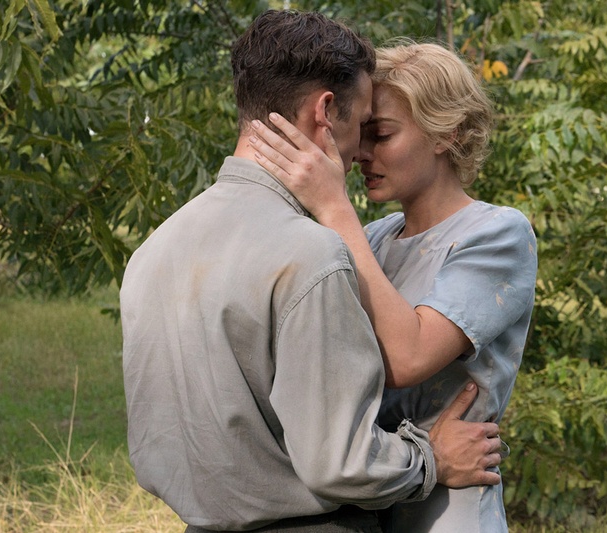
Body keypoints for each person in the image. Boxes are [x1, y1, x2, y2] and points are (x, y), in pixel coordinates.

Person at [121, 12, 505, 533]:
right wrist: (430, 459)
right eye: (363, 126)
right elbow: (341, 464)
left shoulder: (153, 251)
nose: (361, 152)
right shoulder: (313, 253)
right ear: (325, 112)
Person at [249, 41, 538, 532]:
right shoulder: (375, 237)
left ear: (445, 132)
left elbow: (408, 358)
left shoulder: (498, 234)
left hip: (447, 506)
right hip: (372, 490)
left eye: (380, 134)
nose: (361, 153)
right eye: (361, 133)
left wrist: (334, 207)